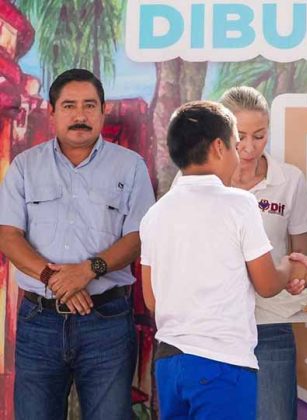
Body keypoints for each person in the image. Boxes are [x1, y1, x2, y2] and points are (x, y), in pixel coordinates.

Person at [139, 100, 307, 420]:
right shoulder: (240, 205)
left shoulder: (154, 215)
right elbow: (267, 284)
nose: (241, 152)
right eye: (235, 143)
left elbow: (151, 299)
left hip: (169, 363)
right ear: (219, 147)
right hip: (221, 363)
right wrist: (290, 266)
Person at [0, 68, 155, 419]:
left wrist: (88, 270)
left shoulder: (130, 167)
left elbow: (138, 236)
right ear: (52, 112)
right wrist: (56, 279)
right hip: (39, 321)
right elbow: (8, 235)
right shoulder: (25, 166)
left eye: (89, 105)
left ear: (103, 111)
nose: (80, 115)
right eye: (69, 106)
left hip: (106, 322)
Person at [219, 86, 307, 420]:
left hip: (271, 322)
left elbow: (303, 253)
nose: (249, 147)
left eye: (259, 136)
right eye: (239, 136)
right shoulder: (198, 178)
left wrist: (300, 275)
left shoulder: (289, 179)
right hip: (215, 324)